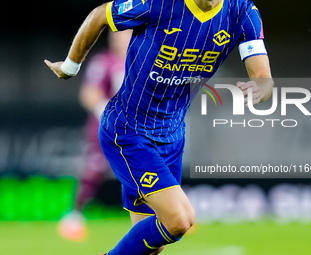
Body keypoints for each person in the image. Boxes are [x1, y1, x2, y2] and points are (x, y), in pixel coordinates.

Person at [45, 0, 274, 254]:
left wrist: (262, 87)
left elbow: (263, 77)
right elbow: (100, 14)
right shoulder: (159, 4)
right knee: (179, 220)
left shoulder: (242, 11)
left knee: (152, 247)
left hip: (172, 136)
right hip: (128, 132)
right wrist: (69, 66)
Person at [57, 30, 132, 241]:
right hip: (105, 128)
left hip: (134, 129)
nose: (118, 38)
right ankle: (73, 216)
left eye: (125, 34)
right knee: (95, 169)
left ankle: (169, 214)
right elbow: (89, 93)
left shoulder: (141, 62)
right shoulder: (103, 62)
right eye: (116, 35)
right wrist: (106, 113)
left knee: (152, 165)